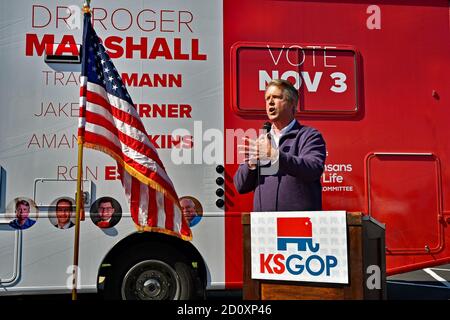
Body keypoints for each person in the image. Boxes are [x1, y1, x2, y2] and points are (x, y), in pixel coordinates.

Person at [234, 79, 326, 211]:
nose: (270, 102)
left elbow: (313, 169)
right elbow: (240, 186)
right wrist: (251, 164)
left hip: (299, 225)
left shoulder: (309, 135)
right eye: (267, 98)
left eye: (276, 97)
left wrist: (274, 155)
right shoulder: (262, 140)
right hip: (264, 226)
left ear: (292, 103)